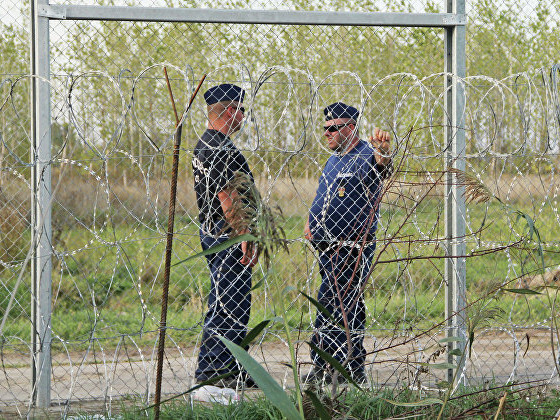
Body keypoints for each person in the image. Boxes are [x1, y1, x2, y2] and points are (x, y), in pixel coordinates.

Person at [303, 102, 392, 384]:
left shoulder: (366, 155)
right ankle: (332, 365)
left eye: (333, 128)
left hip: (352, 248)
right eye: (325, 128)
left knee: (341, 305)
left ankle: (342, 366)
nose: (327, 133)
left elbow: (383, 167)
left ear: (351, 128)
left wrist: (384, 152)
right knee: (334, 305)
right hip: (327, 247)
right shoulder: (333, 161)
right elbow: (324, 196)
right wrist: (311, 221)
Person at [192, 83, 258, 389]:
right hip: (227, 234)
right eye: (241, 110)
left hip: (214, 231)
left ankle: (230, 366)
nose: (243, 116)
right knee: (229, 303)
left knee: (232, 301)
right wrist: (243, 233)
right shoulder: (219, 147)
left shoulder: (206, 143)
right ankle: (215, 370)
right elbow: (227, 196)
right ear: (230, 110)